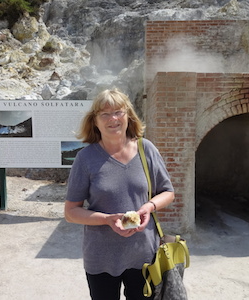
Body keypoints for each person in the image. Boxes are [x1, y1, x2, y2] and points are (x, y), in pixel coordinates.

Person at [64, 89, 175, 300]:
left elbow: (168, 192)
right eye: (104, 114)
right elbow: (71, 212)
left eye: (118, 112)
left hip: (143, 255)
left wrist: (149, 207)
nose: (113, 119)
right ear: (94, 121)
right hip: (101, 258)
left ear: (128, 116)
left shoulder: (146, 149)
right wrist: (107, 220)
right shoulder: (85, 159)